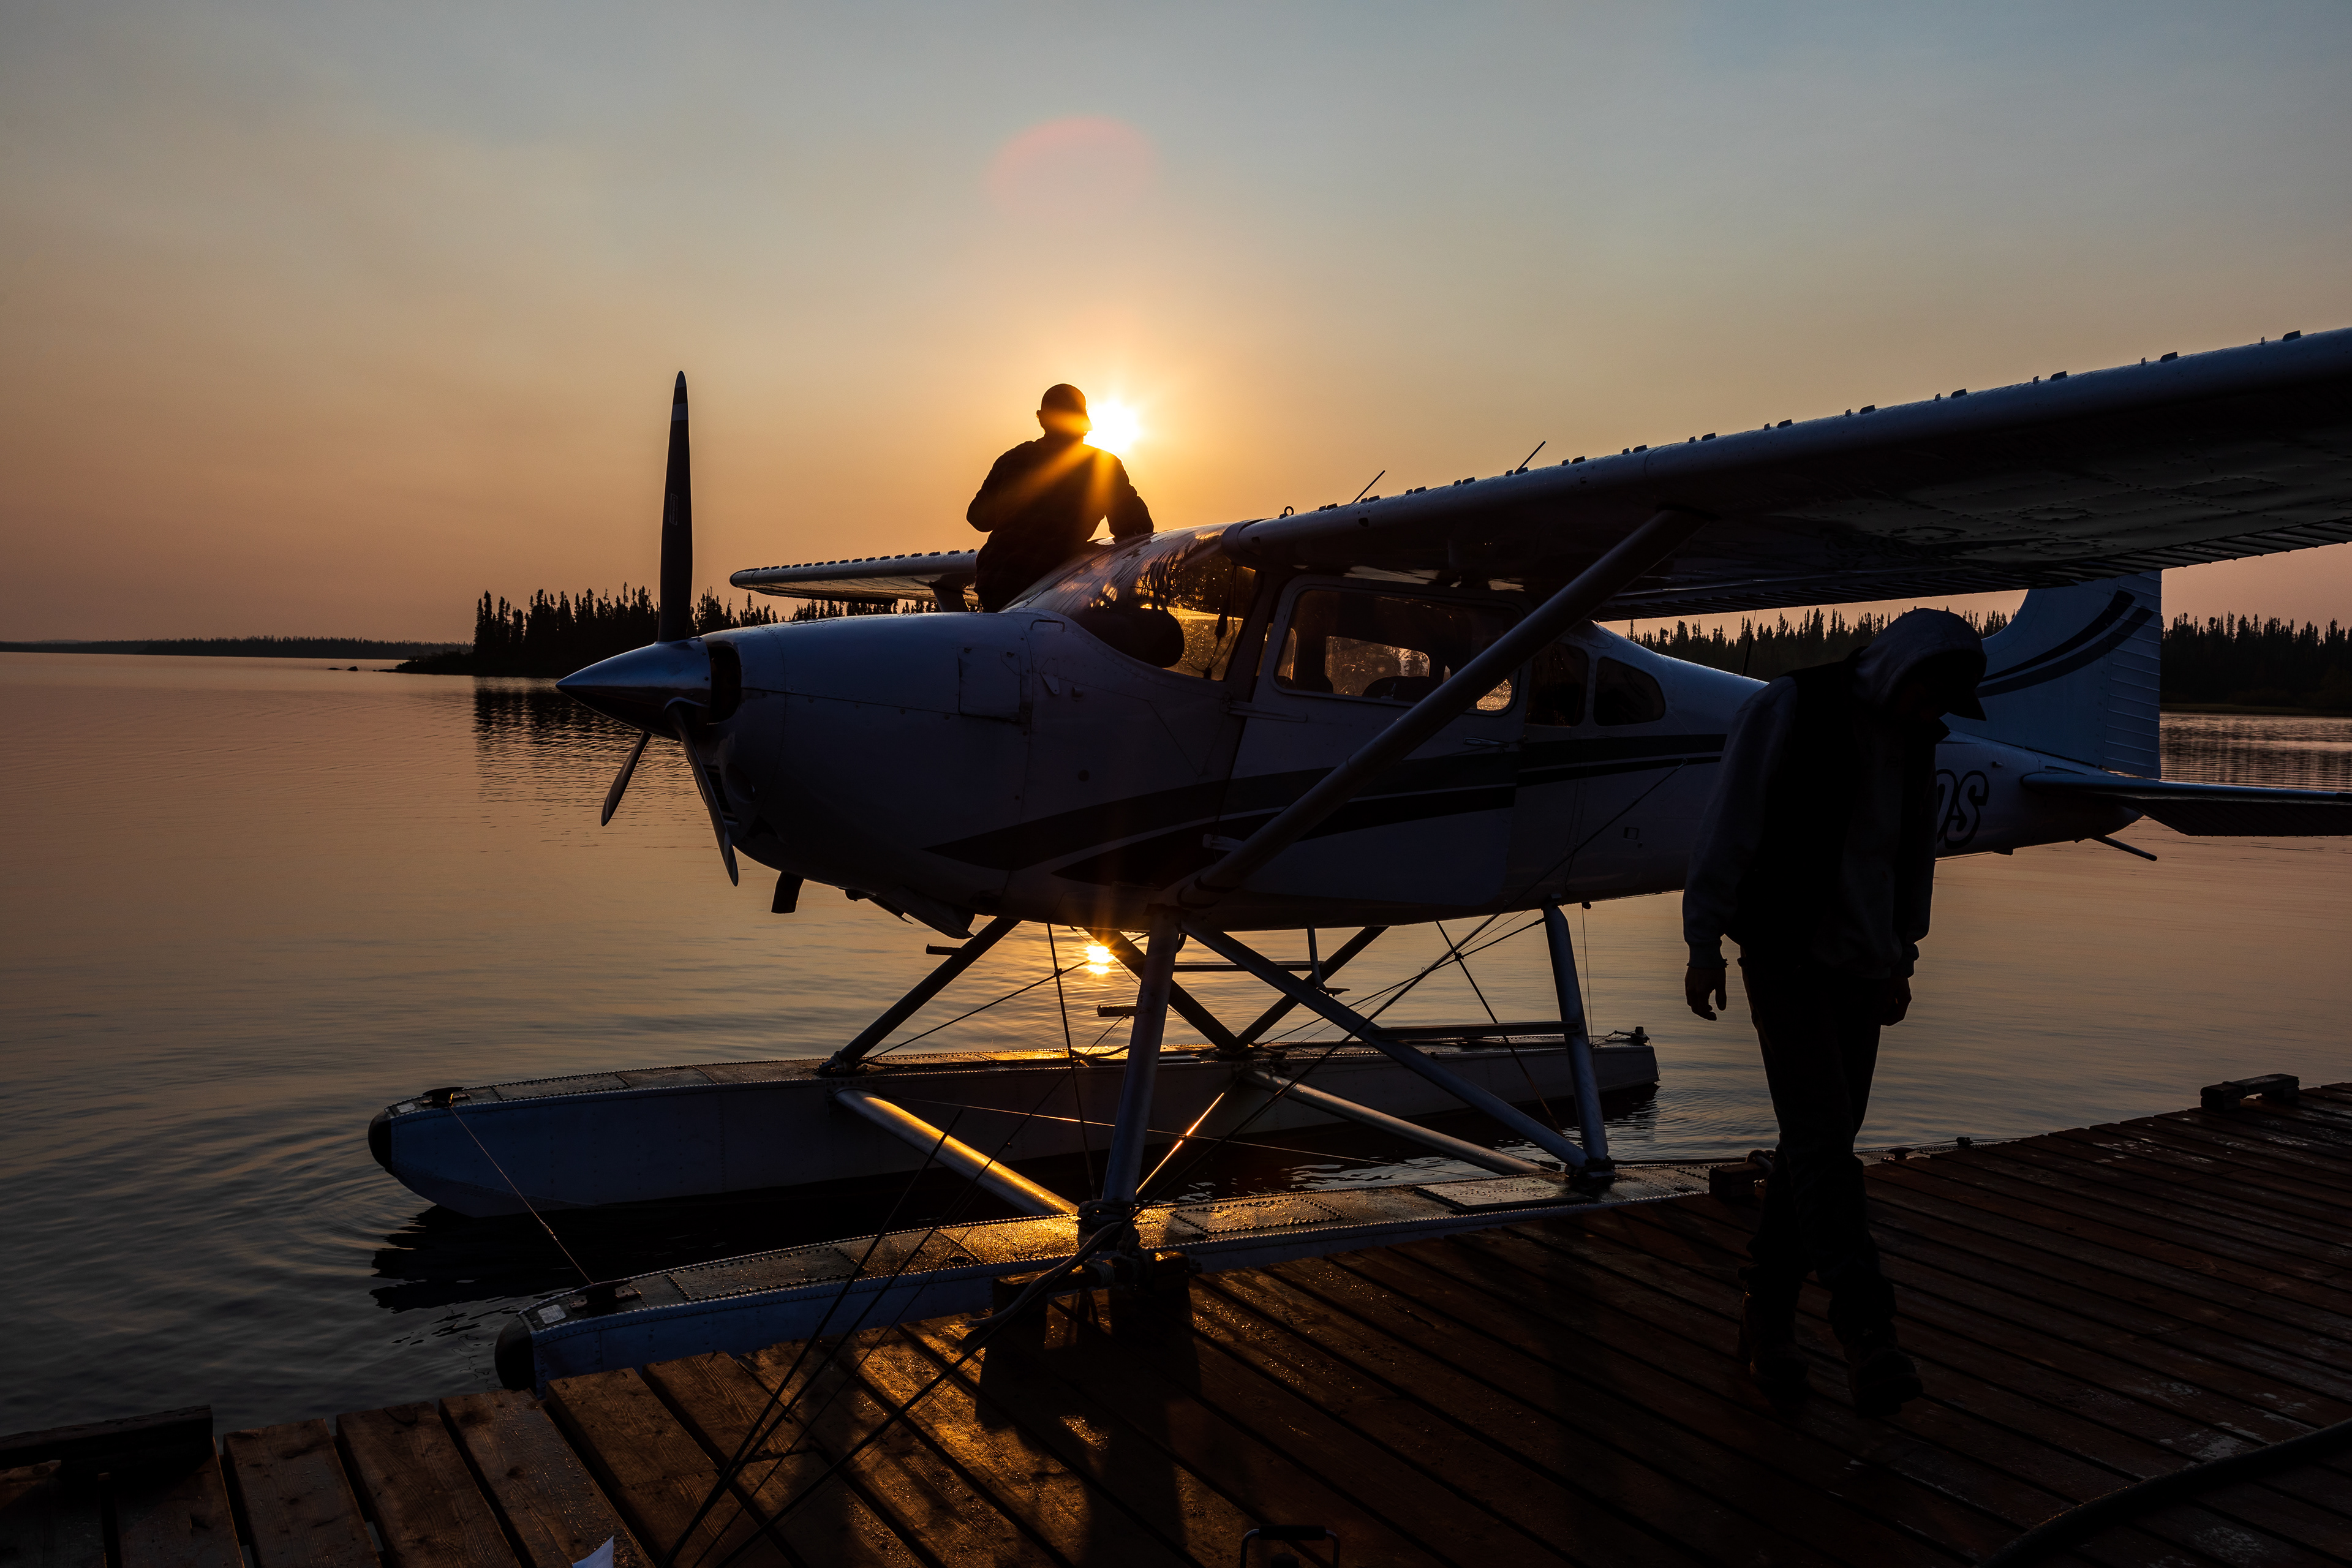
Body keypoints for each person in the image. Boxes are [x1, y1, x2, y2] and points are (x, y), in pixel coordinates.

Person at [1680, 609, 1988, 1417]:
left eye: (1944, 703)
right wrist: (1704, 941)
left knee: (1817, 1143)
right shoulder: (1789, 707)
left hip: (1865, 964)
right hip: (1786, 957)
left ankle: (1766, 1316)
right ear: (1901, 668)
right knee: (1823, 1144)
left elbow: (1913, 852)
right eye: (1930, 694)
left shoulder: (1916, 737)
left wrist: (1903, 956)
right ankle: (1867, 1333)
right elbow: (1730, 823)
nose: (1933, 712)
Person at [967, 384, 1153, 611]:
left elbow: (978, 519)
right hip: (1046, 585)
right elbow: (1135, 528)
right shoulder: (1102, 465)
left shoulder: (1011, 459)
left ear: (1042, 419)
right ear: (1084, 423)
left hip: (993, 578)